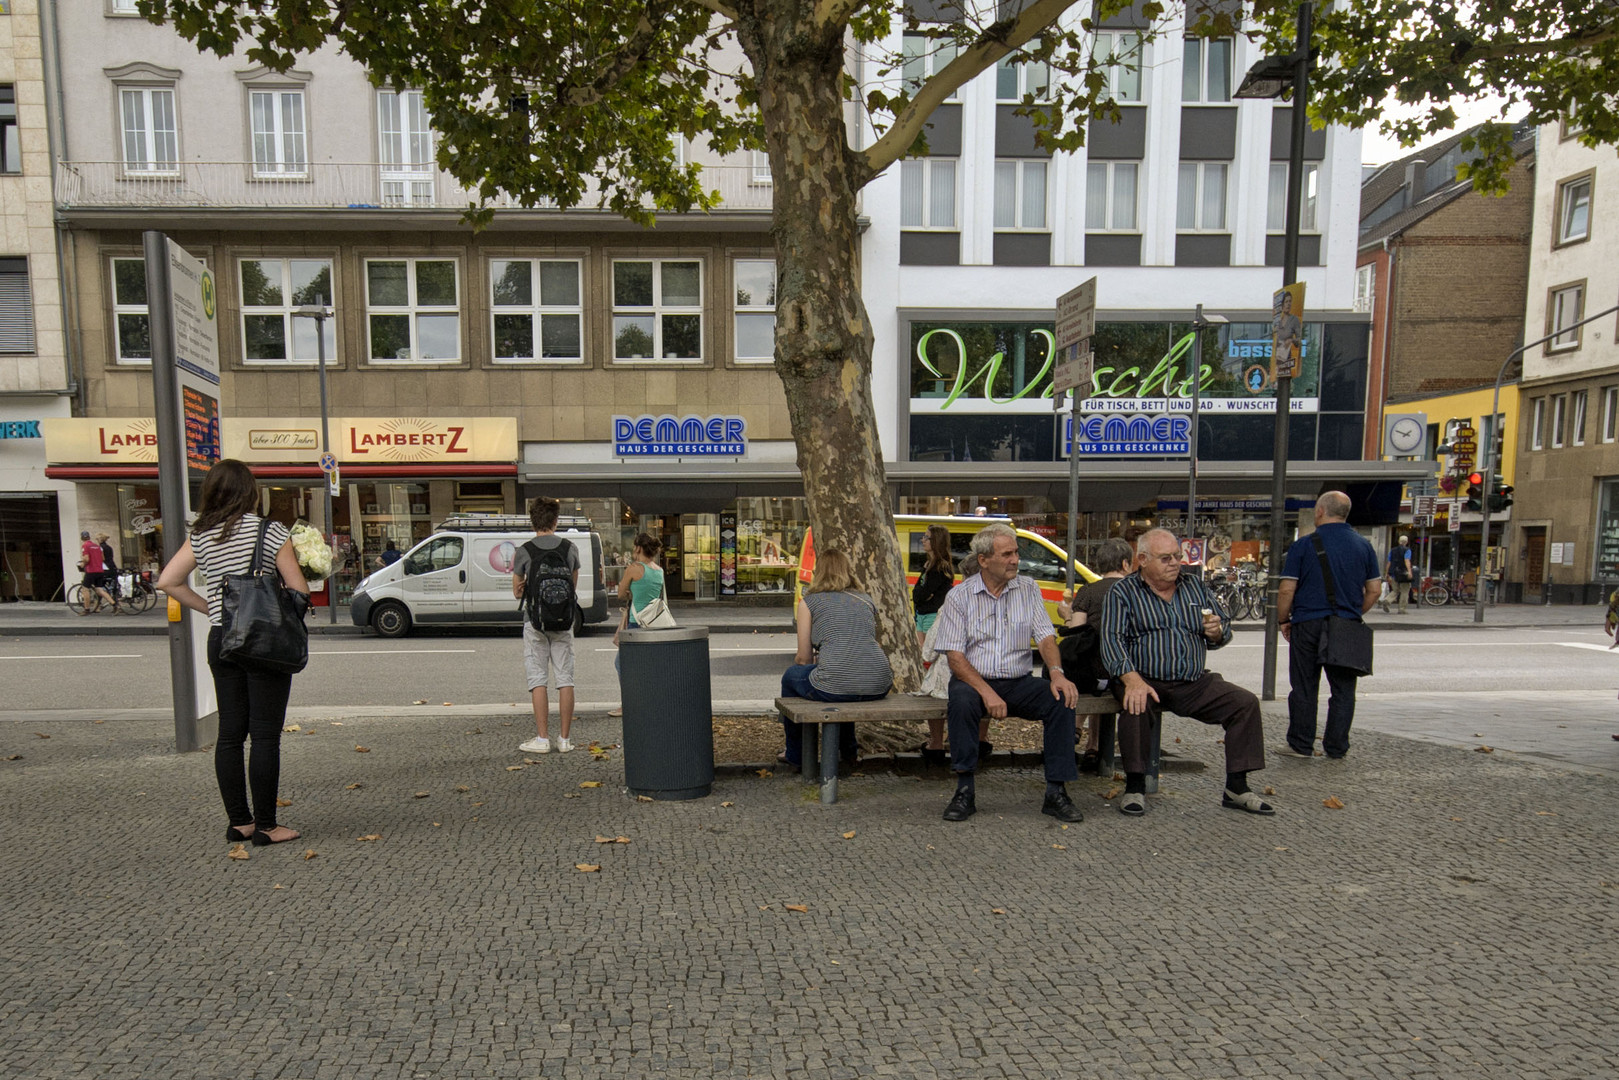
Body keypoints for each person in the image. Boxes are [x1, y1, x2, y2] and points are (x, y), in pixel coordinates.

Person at [156, 459, 310, 845]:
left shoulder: (202, 535)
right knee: (264, 736)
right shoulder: (270, 532)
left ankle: (239, 822)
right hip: (262, 641)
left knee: (230, 735)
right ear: (250, 492)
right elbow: (299, 591)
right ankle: (268, 826)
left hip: (221, 639)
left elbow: (168, 581)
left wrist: (212, 606)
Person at [1100, 528, 1273, 818]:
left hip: (1192, 681)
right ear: (1142, 559)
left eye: (1178, 556)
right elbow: (1112, 640)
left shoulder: (1195, 587)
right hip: (1143, 677)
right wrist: (1131, 680)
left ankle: (1237, 787)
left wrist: (1217, 633)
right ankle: (1135, 786)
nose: (1174, 563)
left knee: (1244, 703)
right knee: (1136, 705)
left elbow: (1223, 627)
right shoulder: (1123, 592)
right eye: (1165, 558)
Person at [932, 523, 1082, 823]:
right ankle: (964, 790)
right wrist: (987, 693)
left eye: (1016, 553)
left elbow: (1045, 638)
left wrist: (1056, 672)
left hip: (1018, 681)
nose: (1015, 560)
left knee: (1062, 699)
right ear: (984, 560)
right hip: (974, 681)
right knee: (961, 702)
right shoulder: (959, 597)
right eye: (1007, 554)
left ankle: (1056, 791)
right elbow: (955, 658)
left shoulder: (1028, 589)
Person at [1276, 492, 1381, 760]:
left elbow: (1287, 589)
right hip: (1345, 626)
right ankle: (1336, 747)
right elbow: (1374, 590)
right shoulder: (1363, 546)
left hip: (1307, 623)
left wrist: (1283, 619)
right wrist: (1354, 612)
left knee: (1304, 686)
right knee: (1344, 690)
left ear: (1320, 511)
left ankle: (1301, 745)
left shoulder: (1303, 545)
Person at [778, 548, 893, 767]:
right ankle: (848, 750)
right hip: (879, 682)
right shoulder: (865, 600)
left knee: (793, 677)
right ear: (848, 571)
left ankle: (796, 752)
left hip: (837, 684)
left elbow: (803, 658)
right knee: (841, 683)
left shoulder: (809, 603)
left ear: (818, 571)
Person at [1054, 537, 1135, 772]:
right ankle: (1094, 746)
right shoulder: (1136, 592)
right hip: (1127, 668)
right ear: (1125, 564)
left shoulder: (1089, 591)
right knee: (1103, 686)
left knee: (1094, 680)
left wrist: (1065, 614)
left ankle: (1080, 734)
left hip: (1093, 668)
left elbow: (1076, 631)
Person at [513, 497, 578, 755]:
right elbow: (572, 587)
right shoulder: (570, 548)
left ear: (533, 521)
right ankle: (564, 740)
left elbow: (517, 594)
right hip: (563, 621)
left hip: (535, 622)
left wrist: (524, 585)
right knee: (565, 678)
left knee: (538, 678)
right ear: (555, 521)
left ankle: (542, 739)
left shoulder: (524, 550)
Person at [609, 532, 667, 717]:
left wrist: (630, 593)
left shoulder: (634, 568)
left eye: (634, 547)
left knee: (622, 664)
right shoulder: (658, 570)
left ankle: (628, 704)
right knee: (647, 666)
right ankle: (650, 701)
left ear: (638, 548)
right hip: (652, 625)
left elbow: (620, 593)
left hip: (635, 625)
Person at [77, 529, 116, 614]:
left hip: (91, 570)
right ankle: (114, 605)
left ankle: (86, 609)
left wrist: (83, 564)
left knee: (85, 589)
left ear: (82, 538)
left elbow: (86, 558)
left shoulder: (85, 546)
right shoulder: (97, 546)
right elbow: (103, 558)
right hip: (100, 570)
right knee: (99, 589)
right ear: (89, 537)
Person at [1382, 534, 1413, 614]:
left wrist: (1387, 573)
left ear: (1399, 541)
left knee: (1395, 590)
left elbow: (1389, 562)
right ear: (1406, 542)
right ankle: (1402, 609)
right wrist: (1409, 571)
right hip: (1403, 573)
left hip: (1394, 573)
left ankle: (1387, 600)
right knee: (1405, 591)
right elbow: (1407, 560)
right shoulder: (1407, 550)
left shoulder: (1392, 550)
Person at [97, 532, 122, 609]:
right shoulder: (109, 547)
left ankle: (99, 604)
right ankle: (113, 603)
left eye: (97, 539)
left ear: (100, 539)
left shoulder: (100, 548)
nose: (97, 540)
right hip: (112, 567)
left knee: (98, 586)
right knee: (113, 587)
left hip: (106, 569)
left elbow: (101, 559)